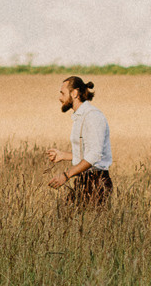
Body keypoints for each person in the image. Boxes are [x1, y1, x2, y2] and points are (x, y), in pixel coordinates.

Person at [45, 75, 112, 207]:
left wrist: (66, 175)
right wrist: (63, 155)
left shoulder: (92, 116)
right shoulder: (80, 117)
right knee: (67, 220)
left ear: (74, 93)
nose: (60, 98)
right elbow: (87, 154)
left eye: (62, 93)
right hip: (83, 180)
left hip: (96, 183)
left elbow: (94, 155)